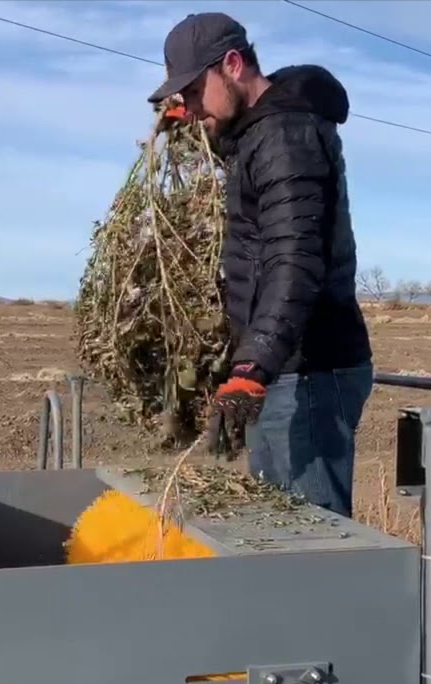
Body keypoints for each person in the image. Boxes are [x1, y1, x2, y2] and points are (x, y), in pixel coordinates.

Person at [148, 12, 373, 518]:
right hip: (288, 370)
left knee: (310, 542)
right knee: (278, 528)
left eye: (192, 91)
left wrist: (252, 367)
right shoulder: (260, 131)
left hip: (310, 370)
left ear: (232, 64)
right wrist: (192, 121)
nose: (187, 105)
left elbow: (293, 259)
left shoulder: (284, 135)